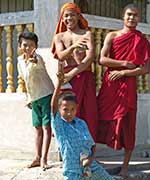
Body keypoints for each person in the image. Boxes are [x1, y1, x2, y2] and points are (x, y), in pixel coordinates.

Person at [97, 3, 150, 179]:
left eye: (136, 15)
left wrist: (124, 72)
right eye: (129, 14)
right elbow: (102, 59)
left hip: (128, 86)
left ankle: (124, 167)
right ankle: (92, 159)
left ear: (139, 18)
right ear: (123, 16)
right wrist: (122, 63)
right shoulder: (112, 36)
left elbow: (145, 69)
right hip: (110, 86)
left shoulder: (141, 39)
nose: (132, 18)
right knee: (100, 118)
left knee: (129, 125)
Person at [51, 64, 114, 180]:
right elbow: (53, 106)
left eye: (72, 109)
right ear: (59, 110)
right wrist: (59, 84)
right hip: (73, 172)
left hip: (91, 168)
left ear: (77, 108)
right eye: (65, 110)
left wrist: (90, 159)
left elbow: (92, 146)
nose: (69, 113)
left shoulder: (81, 124)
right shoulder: (59, 125)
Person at [51, 2, 98, 141]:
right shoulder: (59, 37)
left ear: (78, 16)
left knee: (87, 112)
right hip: (66, 80)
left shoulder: (87, 34)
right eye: (65, 16)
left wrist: (72, 74)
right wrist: (73, 47)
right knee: (65, 110)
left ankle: (87, 149)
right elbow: (61, 55)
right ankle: (67, 147)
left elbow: (89, 58)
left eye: (71, 15)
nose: (68, 18)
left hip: (83, 75)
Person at [17, 32, 54, 170]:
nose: (27, 48)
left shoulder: (37, 58)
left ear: (36, 47)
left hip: (46, 95)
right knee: (37, 128)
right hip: (34, 98)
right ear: (20, 46)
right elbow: (25, 81)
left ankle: (44, 159)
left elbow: (38, 64)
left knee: (46, 127)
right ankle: (37, 158)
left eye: (31, 45)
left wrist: (34, 59)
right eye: (25, 45)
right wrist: (28, 99)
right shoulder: (20, 61)